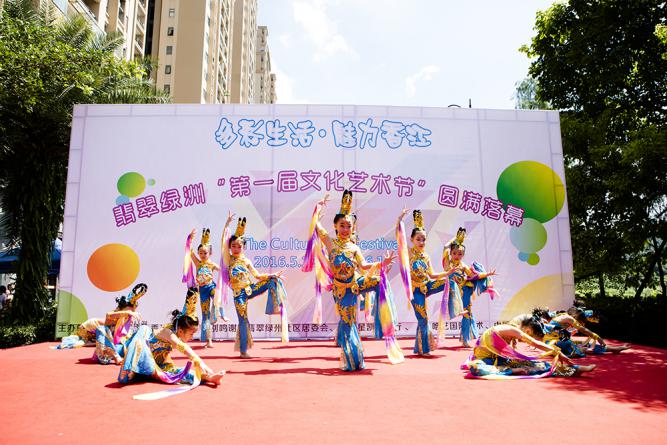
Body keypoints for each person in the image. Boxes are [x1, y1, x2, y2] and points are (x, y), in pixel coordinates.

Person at [303, 191, 401, 371]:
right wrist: (318, 208)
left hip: (356, 284)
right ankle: (352, 360)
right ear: (335, 226)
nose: (345, 229)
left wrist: (382, 263)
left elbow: (363, 266)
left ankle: (384, 323)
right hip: (341, 291)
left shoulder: (354, 247)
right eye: (342, 225)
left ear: (353, 228)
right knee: (348, 323)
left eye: (349, 226)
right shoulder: (330, 243)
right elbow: (316, 227)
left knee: (379, 281)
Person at [118, 287, 225, 388]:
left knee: (176, 372)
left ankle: (209, 378)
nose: (192, 337)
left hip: (158, 363)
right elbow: (182, 347)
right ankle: (130, 369)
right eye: (191, 334)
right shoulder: (168, 333)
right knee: (143, 341)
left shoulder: (176, 333)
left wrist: (202, 366)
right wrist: (199, 361)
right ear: (180, 331)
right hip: (144, 357)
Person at [221, 212, 288, 358]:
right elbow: (223, 243)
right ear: (230, 247)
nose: (235, 249)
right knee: (243, 320)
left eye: (239, 246)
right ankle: (243, 351)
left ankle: (275, 306)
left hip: (250, 289)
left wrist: (272, 274)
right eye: (233, 246)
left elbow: (257, 276)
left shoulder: (246, 261)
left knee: (272, 281)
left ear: (243, 247)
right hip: (239, 294)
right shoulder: (229, 259)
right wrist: (227, 224)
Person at [396, 209, 459, 355]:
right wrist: (399, 220)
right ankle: (423, 349)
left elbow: (432, 275)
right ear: (412, 239)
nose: (421, 242)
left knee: (449, 282)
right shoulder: (408, 252)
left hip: (427, 286)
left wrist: (447, 273)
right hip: (415, 291)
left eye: (423, 239)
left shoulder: (426, 256)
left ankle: (454, 310)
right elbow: (399, 238)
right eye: (418, 239)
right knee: (423, 319)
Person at [462, 318, 596, 379]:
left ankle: (575, 369)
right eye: (530, 334)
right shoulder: (511, 330)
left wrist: (558, 353)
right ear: (527, 331)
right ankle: (513, 371)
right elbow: (535, 343)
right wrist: (558, 352)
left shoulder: (511, 331)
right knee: (475, 367)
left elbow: (535, 342)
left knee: (537, 365)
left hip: (501, 362)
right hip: (484, 361)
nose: (526, 338)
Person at [442, 230, 498, 347]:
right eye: (454, 253)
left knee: (467, 314)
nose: (457, 256)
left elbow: (474, 276)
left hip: (464, 293)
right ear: (450, 253)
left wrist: (487, 274)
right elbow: (445, 247)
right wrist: (456, 239)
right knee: (451, 313)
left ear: (463, 255)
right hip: (452, 292)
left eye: (460, 254)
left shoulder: (463, 266)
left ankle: (465, 339)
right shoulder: (447, 264)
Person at [539, 307, 631, 357]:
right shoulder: (569, 318)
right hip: (553, 343)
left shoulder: (564, 316)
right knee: (580, 347)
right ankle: (613, 349)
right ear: (576, 316)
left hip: (554, 342)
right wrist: (597, 337)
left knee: (583, 344)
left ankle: (613, 349)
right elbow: (582, 329)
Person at [93, 283, 146, 364]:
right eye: (128, 311)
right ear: (121, 310)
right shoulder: (112, 318)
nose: (131, 313)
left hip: (123, 349)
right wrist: (126, 313)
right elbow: (108, 315)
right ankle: (116, 357)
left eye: (132, 311)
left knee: (144, 330)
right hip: (107, 350)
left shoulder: (132, 320)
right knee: (101, 328)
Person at [186, 228, 222, 348]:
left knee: (216, 296)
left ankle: (216, 312)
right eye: (200, 253)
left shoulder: (212, 264)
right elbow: (190, 251)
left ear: (210, 253)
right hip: (203, 291)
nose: (202, 255)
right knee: (205, 316)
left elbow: (222, 271)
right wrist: (190, 239)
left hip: (211, 287)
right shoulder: (197, 263)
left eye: (205, 253)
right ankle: (209, 340)